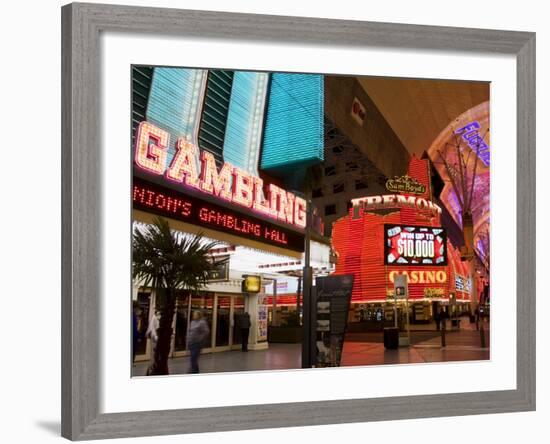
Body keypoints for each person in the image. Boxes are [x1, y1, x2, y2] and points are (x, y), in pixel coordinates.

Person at [145, 310, 160, 375]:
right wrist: (156, 337)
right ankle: (150, 373)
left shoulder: (157, 317)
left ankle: (151, 372)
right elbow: (152, 330)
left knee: (156, 359)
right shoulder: (155, 317)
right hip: (155, 340)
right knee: (153, 359)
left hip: (157, 340)